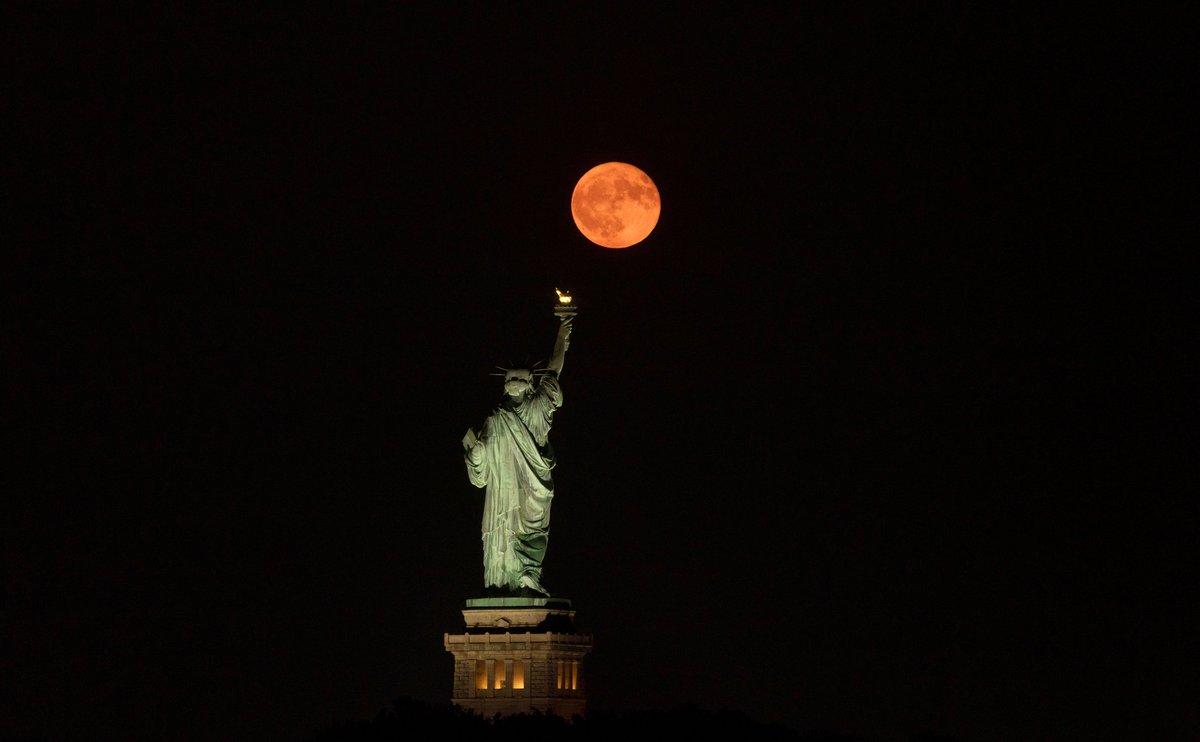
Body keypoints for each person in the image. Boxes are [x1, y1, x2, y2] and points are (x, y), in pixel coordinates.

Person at [462, 315, 574, 596]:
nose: (514, 382)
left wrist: (563, 331)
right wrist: (476, 453)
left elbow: (554, 371)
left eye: (520, 379)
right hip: (504, 489)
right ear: (504, 384)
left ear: (529, 383)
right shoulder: (495, 419)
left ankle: (528, 574)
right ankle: (508, 581)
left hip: (534, 484)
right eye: (510, 379)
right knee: (506, 527)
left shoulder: (538, 408)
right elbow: (481, 471)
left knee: (534, 529)